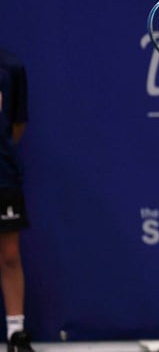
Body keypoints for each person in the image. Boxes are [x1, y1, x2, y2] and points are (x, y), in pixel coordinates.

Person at [0, 48, 33, 352]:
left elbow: (16, 126)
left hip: (3, 175)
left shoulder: (12, 67)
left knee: (9, 253)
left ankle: (15, 333)